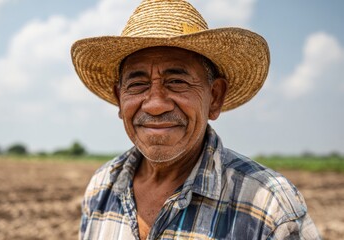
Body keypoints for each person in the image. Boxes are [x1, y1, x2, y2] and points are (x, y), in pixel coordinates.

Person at [71, 0, 321, 239]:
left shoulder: (271, 206)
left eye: (177, 82)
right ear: (119, 99)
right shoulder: (102, 186)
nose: (155, 104)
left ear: (214, 97)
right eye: (137, 84)